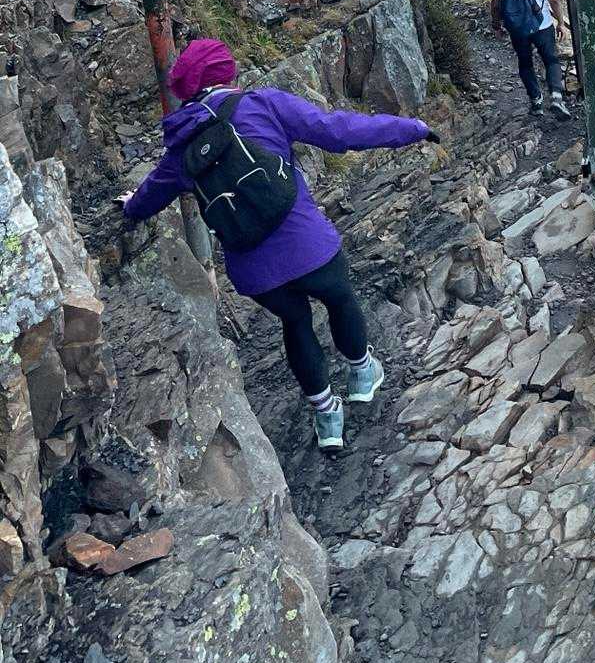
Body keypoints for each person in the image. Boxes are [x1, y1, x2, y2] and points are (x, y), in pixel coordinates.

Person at [119, 36, 436, 451]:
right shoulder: (262, 104)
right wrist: (412, 129)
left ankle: (328, 417)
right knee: (339, 298)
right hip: (307, 244)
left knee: (295, 322)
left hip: (255, 271)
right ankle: (362, 373)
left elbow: (148, 198)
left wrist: (130, 207)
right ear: (226, 74)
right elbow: (338, 131)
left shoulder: (181, 147)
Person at [486, 0, 570, 119]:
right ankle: (556, 97)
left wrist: (496, 26)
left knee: (525, 64)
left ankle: (536, 102)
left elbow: (495, 4)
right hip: (542, 24)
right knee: (551, 60)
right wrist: (561, 23)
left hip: (517, 28)